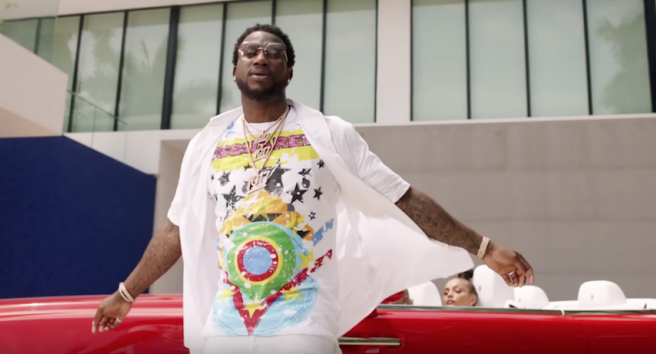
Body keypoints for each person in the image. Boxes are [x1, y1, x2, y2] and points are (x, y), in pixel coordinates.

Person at [91, 24, 534, 354]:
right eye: (250, 51)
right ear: (235, 69)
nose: (261, 57)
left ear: (288, 71)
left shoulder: (329, 133)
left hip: (302, 325)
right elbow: (175, 229)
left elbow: (403, 198)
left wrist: (484, 247)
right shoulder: (207, 144)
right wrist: (126, 294)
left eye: (274, 53)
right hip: (226, 326)